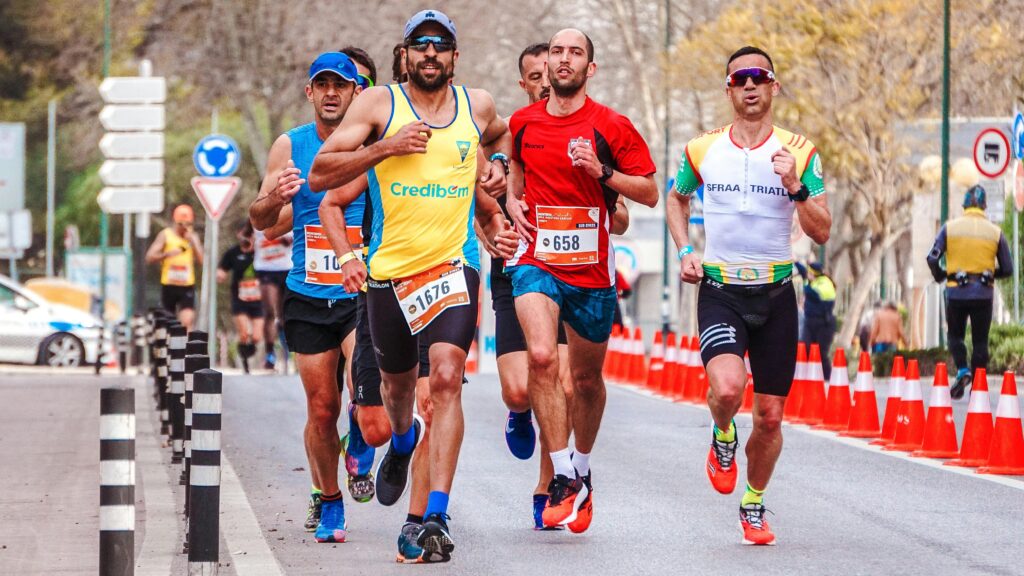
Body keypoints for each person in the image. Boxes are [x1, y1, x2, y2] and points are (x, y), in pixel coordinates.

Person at [308, 9, 516, 562]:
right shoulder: (378, 105)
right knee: (399, 400)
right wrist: (385, 147)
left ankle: (433, 516)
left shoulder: (478, 104)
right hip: (389, 275)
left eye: (440, 45)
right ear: (404, 55)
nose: (430, 53)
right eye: (419, 45)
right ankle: (402, 444)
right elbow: (321, 174)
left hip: (453, 266)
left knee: (446, 379)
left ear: (454, 55)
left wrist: (497, 166)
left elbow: (503, 137)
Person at [666, 46, 831, 545]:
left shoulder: (800, 152)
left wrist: (796, 187)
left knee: (772, 415)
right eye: (741, 79)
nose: (751, 86)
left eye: (760, 77)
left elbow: (822, 231)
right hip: (720, 290)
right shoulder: (701, 149)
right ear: (729, 89)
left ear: (774, 86)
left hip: (778, 292)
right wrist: (684, 250)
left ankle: (754, 503)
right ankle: (722, 434)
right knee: (729, 390)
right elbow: (677, 196)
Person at [504, 28, 658, 534]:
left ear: (589, 69)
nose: (563, 59)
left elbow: (650, 193)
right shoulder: (523, 122)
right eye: (556, 51)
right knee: (543, 357)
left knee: (587, 382)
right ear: (545, 65)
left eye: (575, 53)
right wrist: (510, 201)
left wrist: (602, 172)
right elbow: (517, 179)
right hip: (537, 260)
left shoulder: (611, 125)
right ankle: (562, 472)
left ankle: (583, 469)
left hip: (592, 273)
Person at [248, 51, 384, 544]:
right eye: (321, 85)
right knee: (321, 408)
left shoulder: (376, 145)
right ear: (310, 92)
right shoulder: (291, 145)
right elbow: (261, 223)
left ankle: (363, 437)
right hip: (306, 294)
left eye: (340, 85)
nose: (330, 93)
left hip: (361, 291)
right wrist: (275, 198)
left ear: (356, 94)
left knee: (368, 398)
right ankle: (329, 501)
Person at [927, 184, 1013, 399]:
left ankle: (963, 369)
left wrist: (941, 275)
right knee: (980, 341)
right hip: (983, 294)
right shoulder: (995, 232)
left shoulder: (950, 228)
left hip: (956, 293)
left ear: (965, 203)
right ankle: (979, 386)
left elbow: (932, 257)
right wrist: (989, 276)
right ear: (984, 205)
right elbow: (1009, 268)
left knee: (955, 336)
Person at [145, 204, 203, 331]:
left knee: (187, 321)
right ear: (175, 222)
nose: (184, 228)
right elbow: (149, 257)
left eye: (187, 224)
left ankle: (185, 349)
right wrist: (166, 254)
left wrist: (193, 242)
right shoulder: (166, 235)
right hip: (169, 285)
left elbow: (201, 260)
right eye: (181, 224)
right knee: (168, 323)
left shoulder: (192, 237)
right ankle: (169, 347)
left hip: (186, 285)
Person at [216, 222, 264, 373]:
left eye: (250, 234)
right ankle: (244, 360)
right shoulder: (232, 253)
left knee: (256, 336)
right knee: (244, 333)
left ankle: (250, 352)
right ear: (238, 234)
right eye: (244, 234)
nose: (247, 237)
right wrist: (220, 275)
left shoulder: (259, 252)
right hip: (240, 299)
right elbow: (221, 270)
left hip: (258, 300)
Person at [252, 213, 292, 370]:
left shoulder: (290, 210)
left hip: (286, 267)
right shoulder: (257, 214)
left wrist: (285, 238)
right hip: (266, 269)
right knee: (269, 312)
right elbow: (245, 235)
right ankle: (270, 353)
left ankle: (287, 349)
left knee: (284, 314)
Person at [795, 261, 836, 379]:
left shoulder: (825, 283)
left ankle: (828, 379)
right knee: (805, 347)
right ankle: (808, 377)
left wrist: (806, 283)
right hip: (810, 321)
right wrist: (796, 261)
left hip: (824, 323)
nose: (807, 275)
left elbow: (812, 293)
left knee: (821, 352)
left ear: (814, 274)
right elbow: (804, 273)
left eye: (809, 273)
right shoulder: (813, 281)